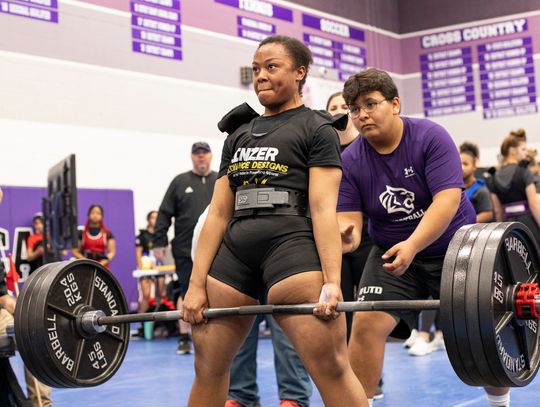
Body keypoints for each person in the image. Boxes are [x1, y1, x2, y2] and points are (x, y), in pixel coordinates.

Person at [182, 35, 368, 407]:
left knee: (331, 367)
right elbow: (219, 213)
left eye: (271, 67)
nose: (260, 76)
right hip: (235, 253)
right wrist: (195, 285)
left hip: (291, 247)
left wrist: (332, 281)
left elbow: (321, 209)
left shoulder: (317, 129)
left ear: (300, 73)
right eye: (255, 69)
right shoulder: (238, 134)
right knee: (208, 367)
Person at [337, 68, 509, 407]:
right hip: (391, 252)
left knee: (483, 332)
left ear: (395, 104)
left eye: (371, 104)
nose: (362, 115)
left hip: (456, 248)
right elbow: (349, 222)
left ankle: (499, 404)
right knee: (367, 326)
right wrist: (344, 236)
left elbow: (446, 201)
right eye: (354, 109)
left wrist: (413, 245)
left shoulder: (431, 137)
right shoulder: (350, 160)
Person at [191, 208, 312, 407]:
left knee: (287, 334)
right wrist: (199, 287)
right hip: (238, 271)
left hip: (282, 262)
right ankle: (240, 396)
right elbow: (200, 248)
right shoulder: (214, 212)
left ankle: (294, 397)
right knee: (233, 333)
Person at [327, 91, 383, 399]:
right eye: (332, 107)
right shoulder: (324, 152)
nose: (337, 111)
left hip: (365, 239)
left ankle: (372, 379)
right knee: (341, 310)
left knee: (367, 312)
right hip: (334, 242)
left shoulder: (366, 149)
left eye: (341, 107)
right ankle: (348, 377)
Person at [153, 141, 217, 355]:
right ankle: (183, 337)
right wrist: (159, 241)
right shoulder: (180, 182)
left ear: (210, 156)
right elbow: (164, 213)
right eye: (197, 154)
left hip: (218, 249)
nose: (201, 157)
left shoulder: (220, 180)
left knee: (216, 293)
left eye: (204, 153)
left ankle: (214, 337)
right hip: (184, 249)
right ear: (192, 157)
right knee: (186, 290)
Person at [488, 134, 540, 246]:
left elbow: (498, 212)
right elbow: (534, 204)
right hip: (529, 226)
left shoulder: (493, 178)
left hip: (508, 228)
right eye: (523, 149)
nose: (527, 152)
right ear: (512, 151)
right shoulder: (524, 172)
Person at [72, 205, 116, 269]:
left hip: (102, 267)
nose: (95, 215)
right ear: (88, 215)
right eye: (93, 213)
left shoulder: (107, 233)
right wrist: (86, 262)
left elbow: (112, 252)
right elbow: (75, 251)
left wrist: (101, 263)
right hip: (85, 267)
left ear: (102, 216)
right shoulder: (81, 233)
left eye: (98, 213)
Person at [460, 142, 494, 223]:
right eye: (459, 163)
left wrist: (465, 224)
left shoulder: (481, 190)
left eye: (465, 164)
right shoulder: (456, 190)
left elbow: (488, 214)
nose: (461, 167)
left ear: (474, 166)